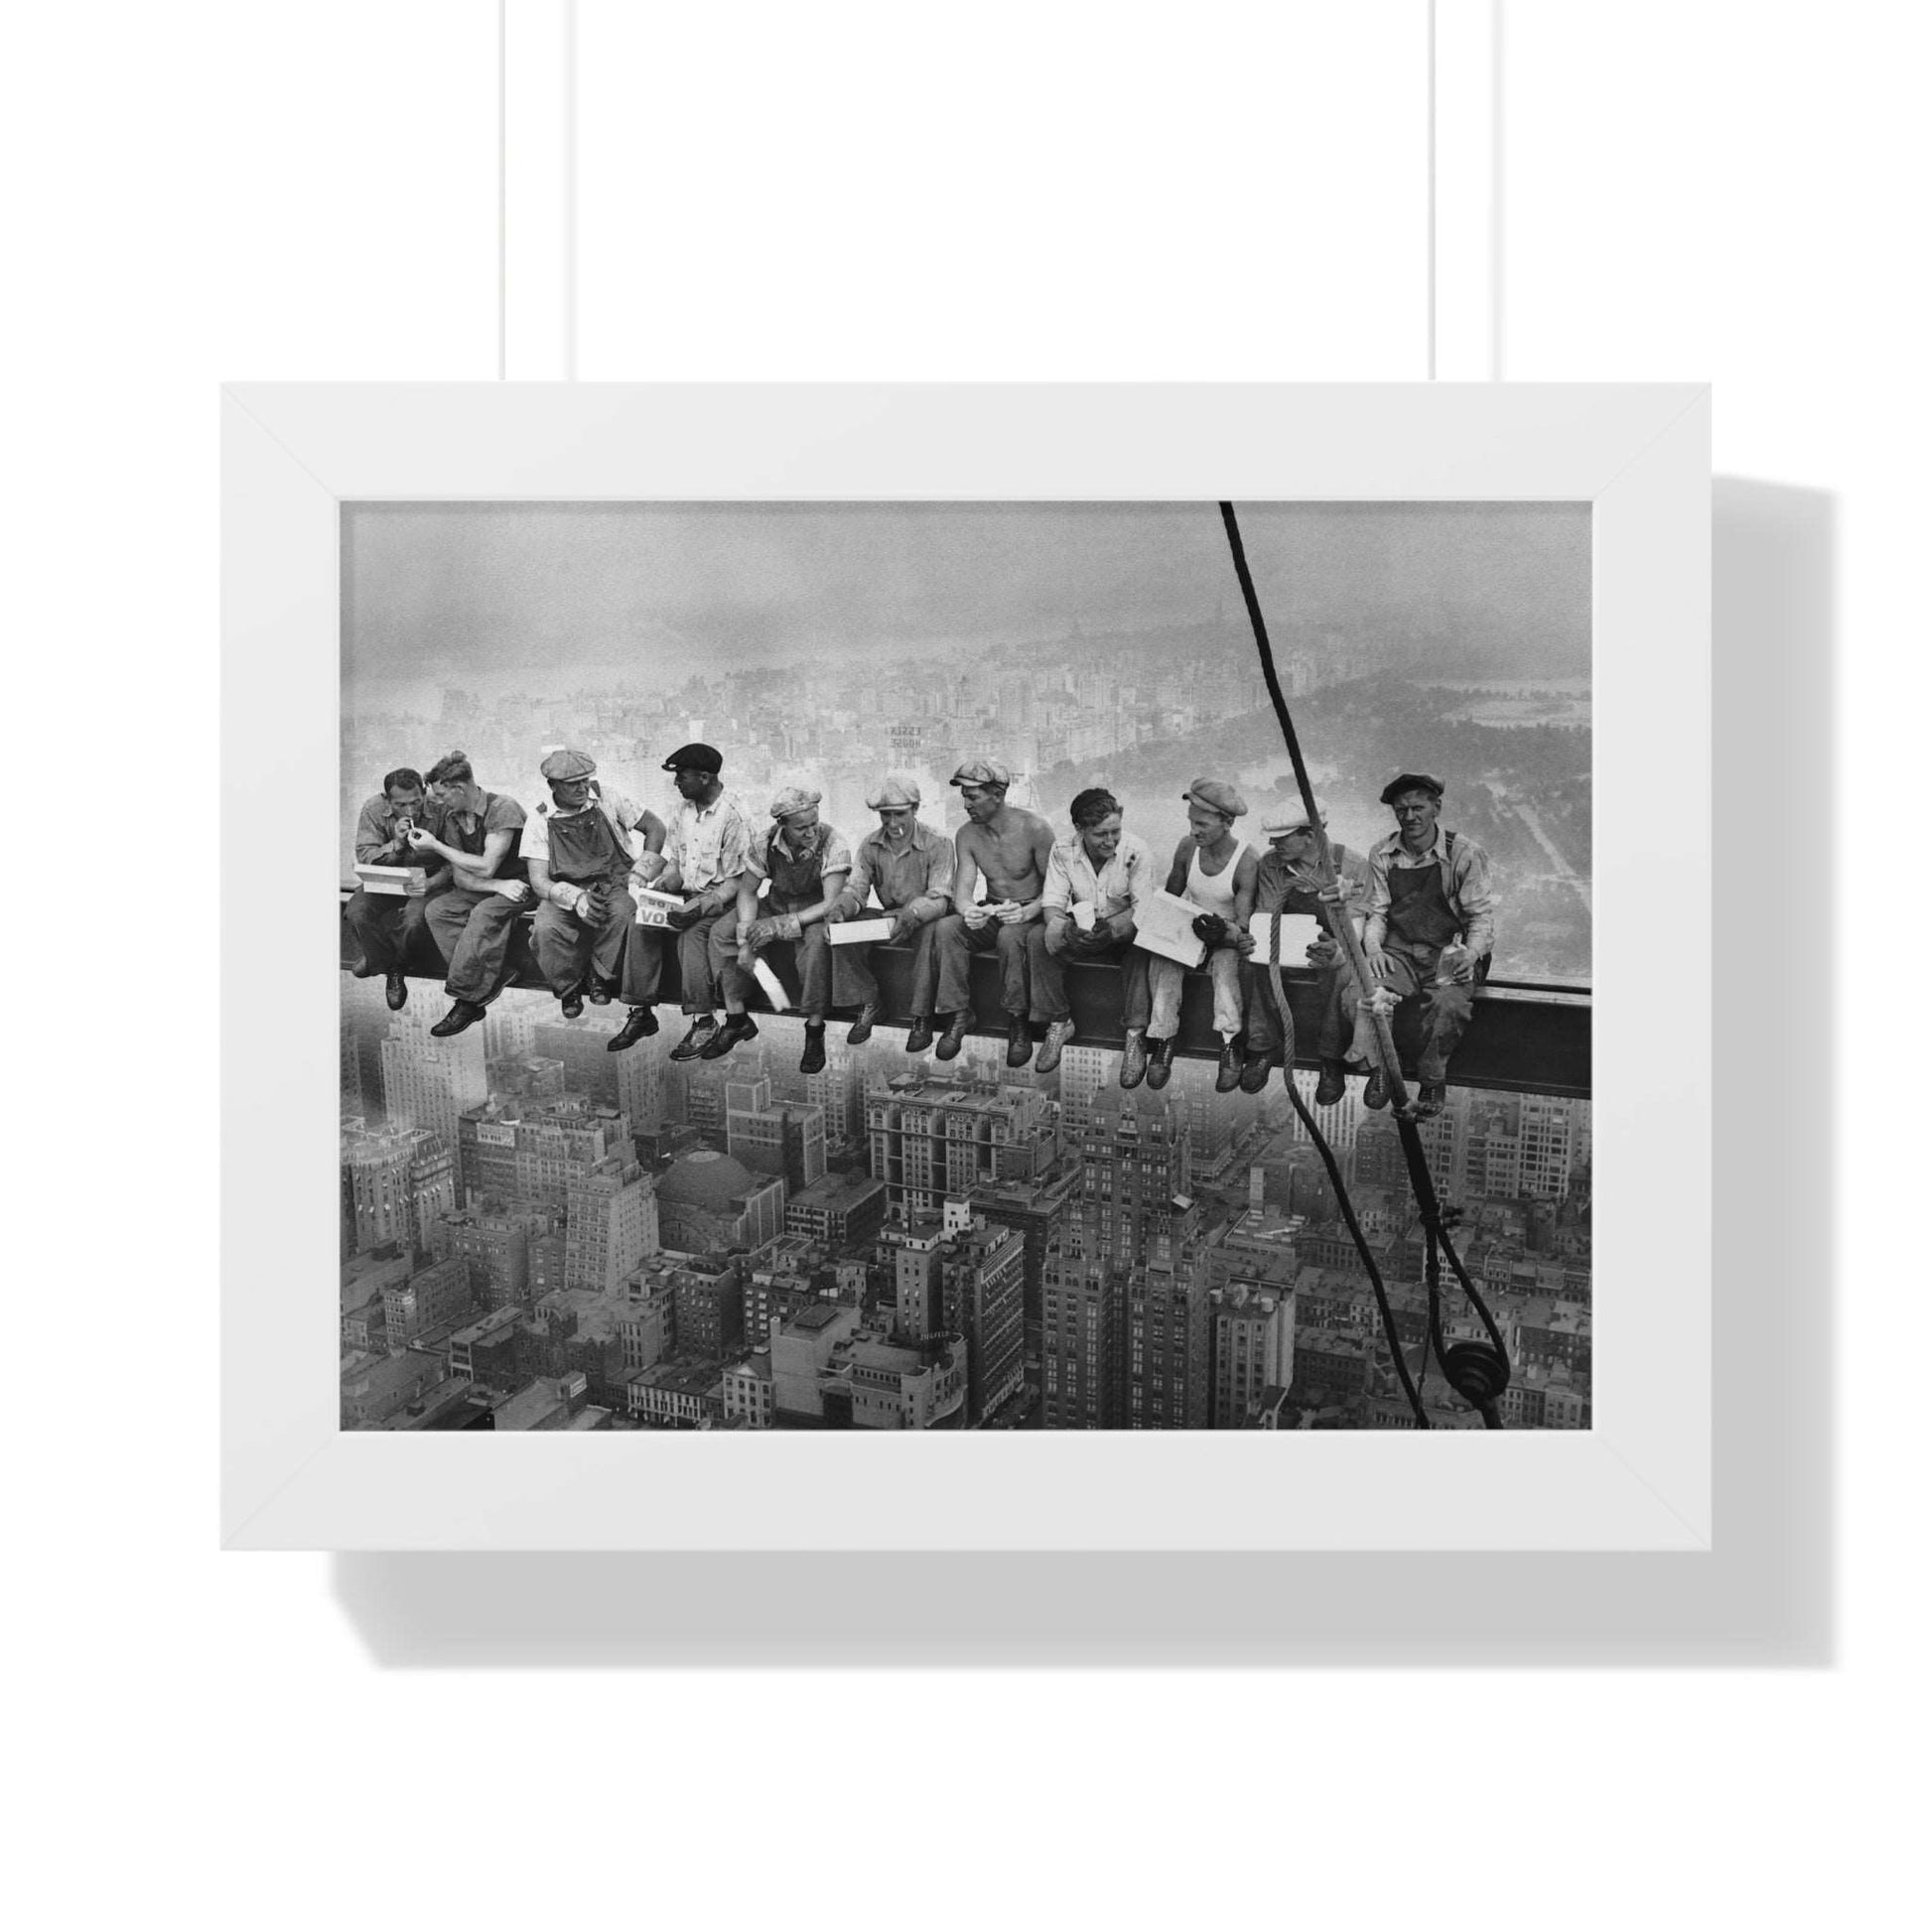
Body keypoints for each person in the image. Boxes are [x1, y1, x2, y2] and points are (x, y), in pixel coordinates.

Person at [1363, 771, 1497, 1119]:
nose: (1410, 817)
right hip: (1401, 950)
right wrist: (1374, 950)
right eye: (1401, 810)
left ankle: (1432, 1078)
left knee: (1449, 1005)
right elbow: (1376, 912)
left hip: (1449, 952)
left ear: (1436, 808)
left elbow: (1481, 917)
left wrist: (1472, 952)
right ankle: (1381, 1070)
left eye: (1418, 807)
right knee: (1370, 993)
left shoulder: (1464, 853)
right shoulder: (1383, 853)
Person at [608, 742, 754, 1062]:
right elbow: (676, 862)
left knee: (692, 935)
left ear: (704, 777)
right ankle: (641, 1010)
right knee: (640, 922)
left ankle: (703, 1020)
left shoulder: (735, 817)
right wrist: (662, 887)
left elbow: (737, 881)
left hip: (720, 902)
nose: (676, 784)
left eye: (682, 777)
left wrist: (699, 907)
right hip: (686, 895)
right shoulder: (683, 813)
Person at [1246, 794, 1383, 1107]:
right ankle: (1262, 1047)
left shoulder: (1351, 865)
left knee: (1340, 972)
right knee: (1256, 964)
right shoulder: (1271, 864)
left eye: (1282, 838)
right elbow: (1267, 915)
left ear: (1311, 836)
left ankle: (1330, 1059)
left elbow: (1355, 928)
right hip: (1287, 940)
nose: (1272, 843)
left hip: (1333, 944)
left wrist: (1337, 950)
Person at [929, 759, 1061, 1069]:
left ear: (997, 796)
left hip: (1032, 910)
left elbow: (1057, 889)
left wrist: (1028, 910)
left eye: (972, 797)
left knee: (1010, 937)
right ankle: (959, 1012)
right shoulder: (967, 835)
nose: (965, 804)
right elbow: (963, 891)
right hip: (993, 906)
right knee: (948, 929)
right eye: (964, 796)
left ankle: (1018, 1021)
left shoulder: (1036, 829)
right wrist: (970, 911)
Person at [714, 785, 853, 1072]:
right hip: (776, 902)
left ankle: (814, 1030)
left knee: (815, 947)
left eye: (814, 824)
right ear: (782, 825)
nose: (811, 832)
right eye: (801, 828)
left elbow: (830, 902)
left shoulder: (833, 843)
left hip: (813, 913)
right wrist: (745, 938)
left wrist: (778, 927)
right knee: (723, 932)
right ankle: (737, 1017)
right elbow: (748, 892)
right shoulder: (764, 842)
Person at [521, 749, 666, 1021]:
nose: (582, 787)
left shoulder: (607, 797)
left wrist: (640, 873)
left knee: (624, 916)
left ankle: (599, 975)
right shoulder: (539, 818)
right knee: (545, 928)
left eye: (585, 780)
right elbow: (539, 881)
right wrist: (575, 898)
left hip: (612, 884)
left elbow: (656, 828)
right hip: (564, 890)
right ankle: (568, 988)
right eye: (573, 783)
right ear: (553, 786)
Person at [1145, 779, 1260, 1093]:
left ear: (1228, 823)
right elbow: (1171, 896)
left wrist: (1223, 931)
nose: (1194, 830)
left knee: (1225, 968)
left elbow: (1244, 922)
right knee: (1165, 960)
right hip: (1191, 929)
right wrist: (1163, 928)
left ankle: (1229, 1042)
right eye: (1191, 822)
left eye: (1202, 824)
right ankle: (1164, 1037)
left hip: (1223, 936)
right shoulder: (1187, 848)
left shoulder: (1246, 861)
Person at [825, 775, 955, 1051]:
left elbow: (940, 896)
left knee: (930, 934)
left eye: (900, 814)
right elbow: (857, 888)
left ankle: (921, 1016)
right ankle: (869, 1000)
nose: (893, 823)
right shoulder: (871, 844)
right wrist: (841, 909)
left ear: (915, 810)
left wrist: (911, 915)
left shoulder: (938, 843)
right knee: (842, 933)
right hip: (889, 917)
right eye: (886, 815)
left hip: (924, 916)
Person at [1040, 787, 1158, 1087]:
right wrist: (1065, 928)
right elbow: (1053, 900)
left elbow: (1143, 909)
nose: (1109, 841)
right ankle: (1059, 1021)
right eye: (1100, 835)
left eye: (1114, 831)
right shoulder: (1063, 849)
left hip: (1122, 931)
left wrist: (1112, 930)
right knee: (1038, 939)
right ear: (1080, 830)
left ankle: (1135, 1035)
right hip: (1083, 927)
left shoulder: (1137, 851)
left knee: (1140, 950)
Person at [410, 752, 531, 1037]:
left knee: (483, 914)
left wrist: (437, 846)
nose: (438, 802)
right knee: (438, 911)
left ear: (460, 789)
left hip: (523, 885)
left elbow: (487, 866)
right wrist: (496, 887)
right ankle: (494, 974)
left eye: (441, 795)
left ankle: (466, 1000)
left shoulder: (503, 809)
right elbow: (462, 876)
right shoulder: (454, 817)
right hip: (496, 887)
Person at [345, 765, 446, 1012]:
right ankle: (387, 964)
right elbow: (366, 856)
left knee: (414, 921)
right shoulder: (374, 809)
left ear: (424, 794)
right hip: (386, 879)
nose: (410, 810)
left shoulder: (441, 807)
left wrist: (431, 882)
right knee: (357, 912)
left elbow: (455, 858)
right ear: (387, 800)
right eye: (401, 805)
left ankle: (390, 965)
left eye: (416, 802)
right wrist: (397, 844)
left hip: (427, 881)